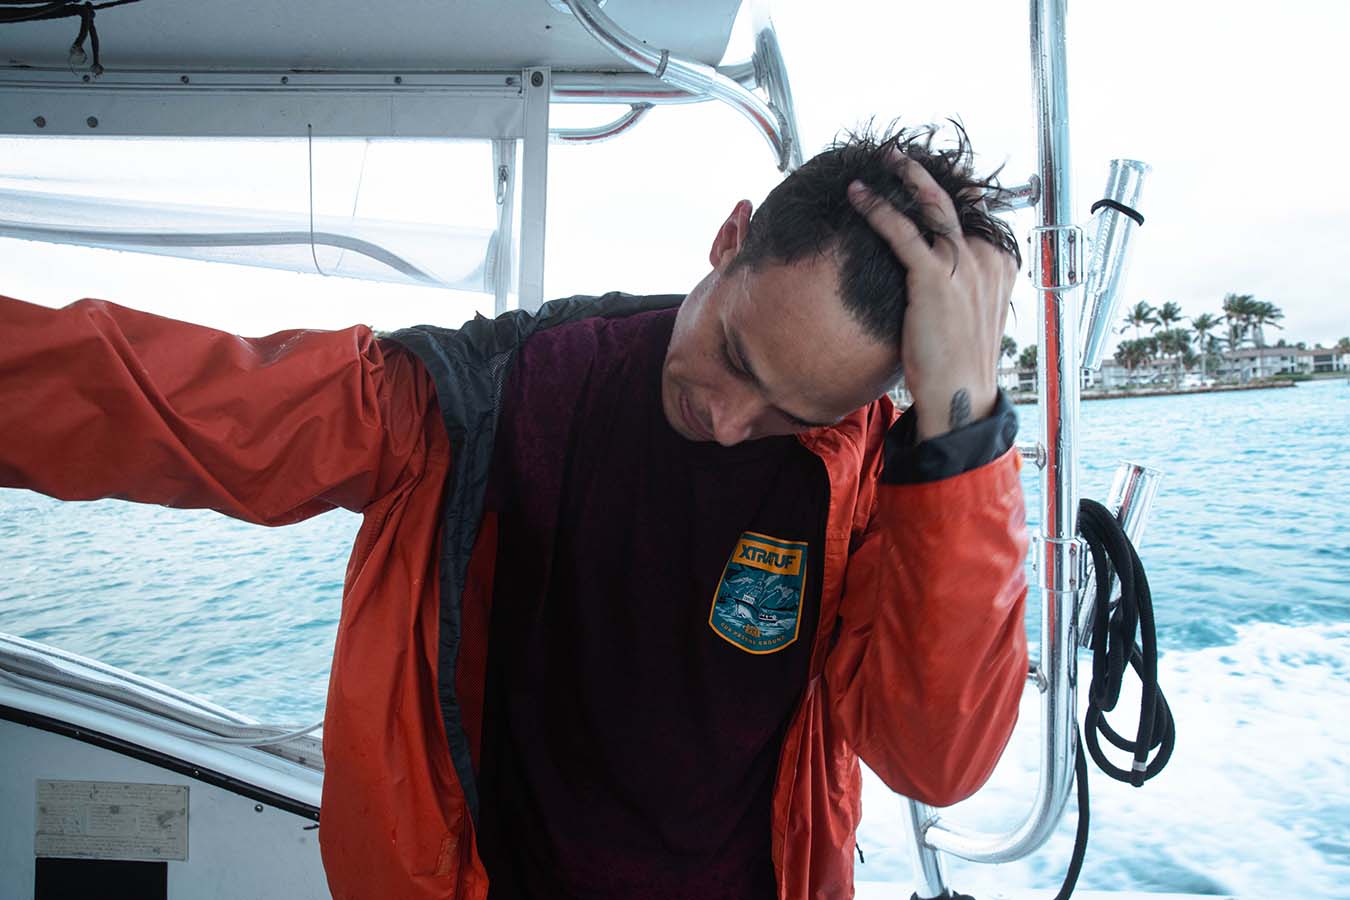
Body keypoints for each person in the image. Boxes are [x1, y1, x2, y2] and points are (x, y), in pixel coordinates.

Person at [0, 125, 1030, 899]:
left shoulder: (870, 492)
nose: (727, 421)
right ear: (731, 240)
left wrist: (963, 423)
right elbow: (166, 403)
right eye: (735, 356)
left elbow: (933, 758)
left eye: (788, 414)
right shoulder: (491, 397)